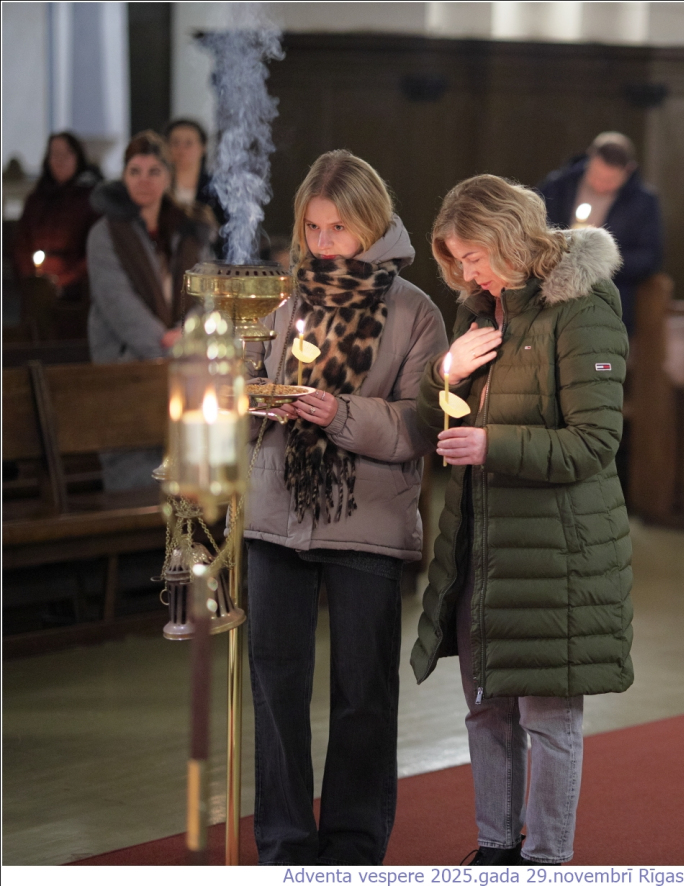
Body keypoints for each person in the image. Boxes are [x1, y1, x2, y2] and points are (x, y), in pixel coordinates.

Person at [411, 174, 633, 866]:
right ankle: (495, 847)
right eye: (456, 262)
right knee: (486, 708)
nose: (466, 273)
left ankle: (545, 860)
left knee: (548, 719)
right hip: (483, 546)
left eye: (473, 256)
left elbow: (595, 442)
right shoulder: (482, 312)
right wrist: (444, 373)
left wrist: (491, 445)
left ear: (508, 236)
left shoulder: (582, 306)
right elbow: (431, 422)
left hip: (555, 549)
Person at [241, 149, 447, 865]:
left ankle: (354, 847)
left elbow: (420, 427)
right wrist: (250, 396)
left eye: (338, 228)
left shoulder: (414, 311)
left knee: (362, 693)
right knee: (276, 687)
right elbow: (247, 384)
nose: (323, 243)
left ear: (373, 224)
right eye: (313, 227)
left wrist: (338, 413)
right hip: (276, 511)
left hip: (367, 518)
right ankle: (285, 845)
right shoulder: (281, 299)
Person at [86, 131, 212, 490]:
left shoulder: (188, 230)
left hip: (184, 366)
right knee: (136, 474)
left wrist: (188, 333)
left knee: (188, 475)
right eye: (135, 171)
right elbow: (117, 302)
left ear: (168, 176)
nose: (144, 180)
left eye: (154, 171)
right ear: (123, 176)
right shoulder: (105, 233)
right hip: (128, 363)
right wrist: (168, 344)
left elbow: (205, 293)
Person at [537, 132, 662, 335]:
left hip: (609, 292)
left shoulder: (642, 202)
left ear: (628, 170)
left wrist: (599, 261)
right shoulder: (559, 186)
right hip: (551, 282)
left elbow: (649, 258)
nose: (600, 185)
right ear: (589, 160)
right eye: (596, 175)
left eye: (610, 180)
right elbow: (535, 228)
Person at [13, 131, 102, 307]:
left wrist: (66, 280)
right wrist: (32, 278)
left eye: (66, 154)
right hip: (36, 290)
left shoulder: (90, 200)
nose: (60, 160)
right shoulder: (36, 200)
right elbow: (21, 243)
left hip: (76, 293)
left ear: (77, 158)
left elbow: (96, 249)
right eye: (55, 154)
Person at [164, 118, 226, 229]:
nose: (181, 150)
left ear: (203, 147)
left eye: (188, 143)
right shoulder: (158, 186)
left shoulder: (218, 188)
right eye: (175, 143)